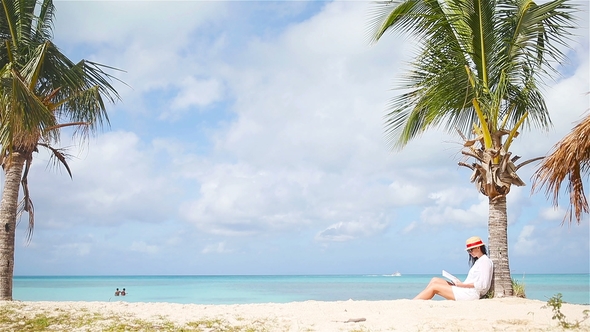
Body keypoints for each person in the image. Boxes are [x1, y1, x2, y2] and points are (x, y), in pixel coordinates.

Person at [413, 236, 493, 300]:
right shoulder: (479, 261)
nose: (470, 253)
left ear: (478, 248)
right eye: (468, 251)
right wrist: (459, 283)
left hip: (470, 294)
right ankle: (420, 300)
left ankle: (414, 303)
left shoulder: (485, 261)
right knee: (435, 280)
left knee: (435, 287)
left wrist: (461, 285)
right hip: (466, 290)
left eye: (471, 250)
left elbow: (483, 285)